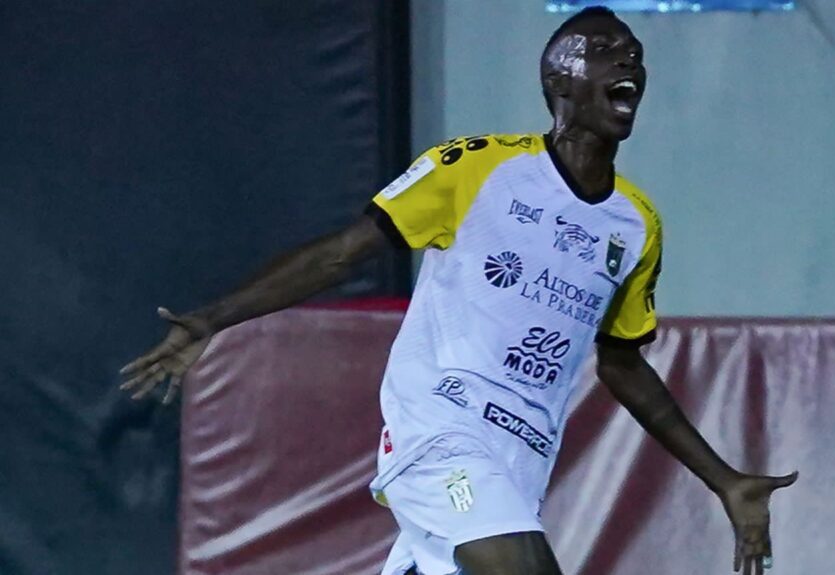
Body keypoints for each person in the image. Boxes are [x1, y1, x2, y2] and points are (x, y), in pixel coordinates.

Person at [120, 7, 796, 575]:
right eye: (604, 50)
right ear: (558, 80)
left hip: (522, 463)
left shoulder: (635, 223)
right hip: (440, 432)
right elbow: (343, 253)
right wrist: (215, 318)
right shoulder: (475, 168)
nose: (629, 62)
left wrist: (725, 479)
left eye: (635, 54)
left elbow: (622, 363)